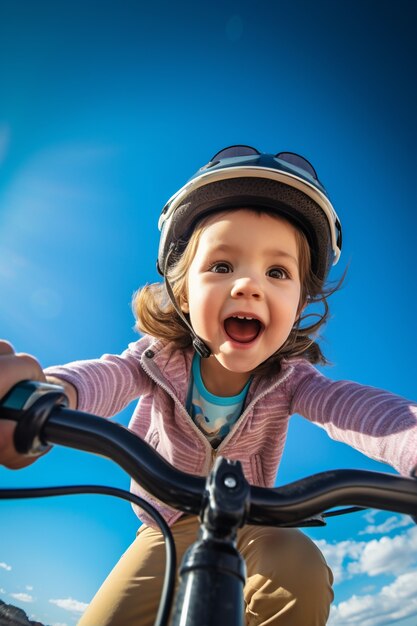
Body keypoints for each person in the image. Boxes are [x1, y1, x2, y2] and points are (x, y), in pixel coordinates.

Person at [1, 145, 416, 626]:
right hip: (166, 524)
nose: (248, 285)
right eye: (222, 266)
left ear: (300, 304)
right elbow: (104, 376)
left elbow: (360, 410)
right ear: (182, 290)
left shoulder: (293, 380)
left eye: (277, 272)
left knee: (298, 567)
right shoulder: (156, 359)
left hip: (252, 519)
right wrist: (46, 393)